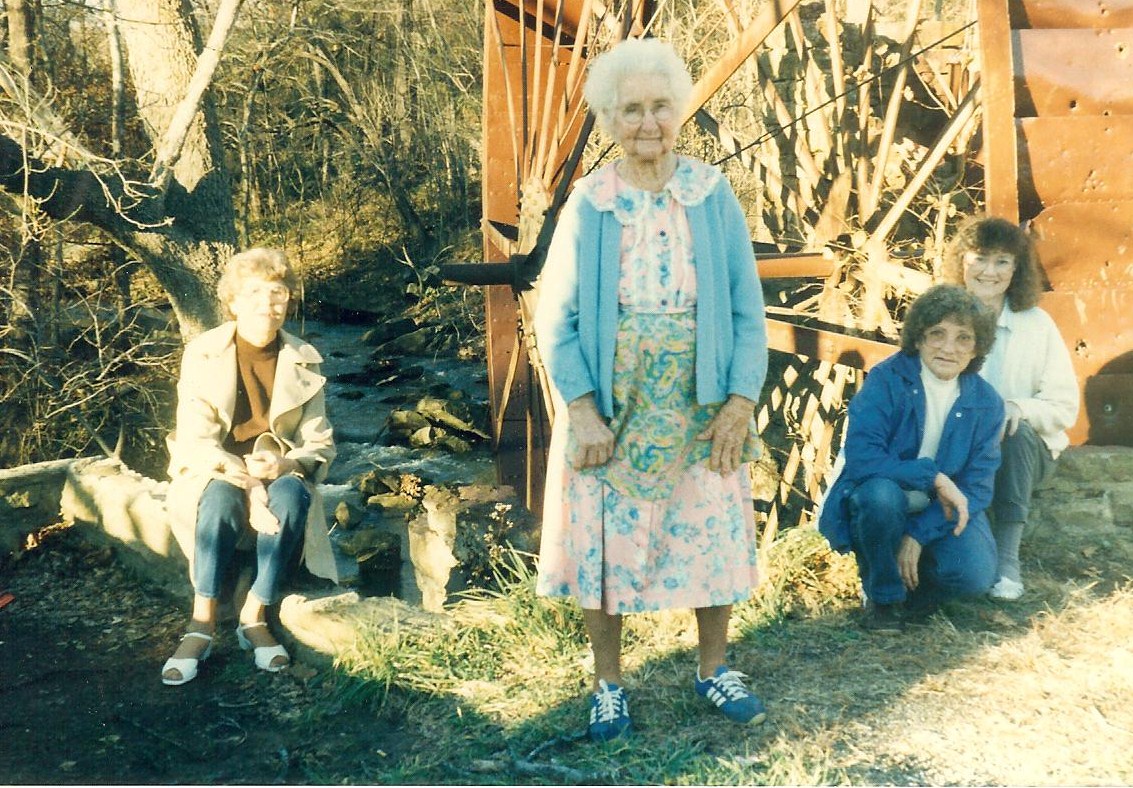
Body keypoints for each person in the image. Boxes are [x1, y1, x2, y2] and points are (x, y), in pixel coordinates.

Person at [532, 37, 769, 742]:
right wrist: (581, 411)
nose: (647, 122)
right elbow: (556, 317)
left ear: (679, 111)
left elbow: (746, 310)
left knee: (712, 530)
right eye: (630, 109)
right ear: (609, 119)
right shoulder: (590, 204)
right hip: (612, 407)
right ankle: (608, 684)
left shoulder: (711, 194)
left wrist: (739, 401)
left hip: (700, 401)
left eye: (660, 106)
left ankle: (713, 668)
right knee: (601, 539)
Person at [160, 247, 336, 686]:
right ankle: (202, 622)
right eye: (254, 293)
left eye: (277, 293)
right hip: (215, 467)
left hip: (277, 468)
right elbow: (195, 439)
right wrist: (247, 483)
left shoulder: (305, 357)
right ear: (233, 302)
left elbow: (320, 444)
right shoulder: (203, 352)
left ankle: (254, 616)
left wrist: (285, 462)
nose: (267, 304)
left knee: (291, 496)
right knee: (219, 500)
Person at [818, 284, 1004, 632]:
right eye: (937, 334)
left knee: (975, 576)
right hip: (885, 498)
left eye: (963, 338)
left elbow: (977, 487)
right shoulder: (887, 379)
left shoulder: (987, 402)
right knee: (880, 497)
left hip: (937, 511)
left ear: (977, 348)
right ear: (918, 338)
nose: (948, 348)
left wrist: (918, 534)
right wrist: (932, 477)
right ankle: (883, 599)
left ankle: (916, 592)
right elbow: (862, 459)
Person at [943, 217, 1079, 600]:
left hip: (1021, 452)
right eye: (980, 258)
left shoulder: (1037, 325)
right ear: (962, 260)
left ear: (1016, 268)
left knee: (1013, 433)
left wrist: (1018, 407)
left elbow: (1065, 408)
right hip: (957, 445)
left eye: (1002, 261)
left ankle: (1007, 562)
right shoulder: (942, 317)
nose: (989, 272)